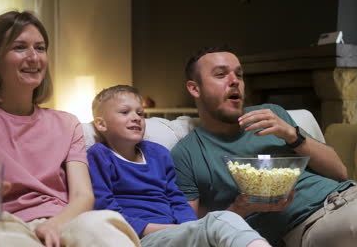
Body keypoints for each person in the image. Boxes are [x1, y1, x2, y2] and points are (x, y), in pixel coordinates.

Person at [0, 11, 140, 247]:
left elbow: (83, 196)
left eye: (40, 48)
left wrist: (55, 225)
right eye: (19, 47)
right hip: (5, 223)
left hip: (64, 221)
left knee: (103, 225)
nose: (33, 57)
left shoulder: (68, 122)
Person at [171, 45, 357, 247]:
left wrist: (291, 134)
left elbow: (340, 173)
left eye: (239, 74)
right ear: (194, 89)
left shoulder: (273, 114)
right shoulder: (187, 154)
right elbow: (190, 233)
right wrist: (241, 207)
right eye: (221, 74)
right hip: (309, 222)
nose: (234, 80)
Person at [87, 85, 271, 247]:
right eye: (124, 112)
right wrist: (170, 229)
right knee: (222, 219)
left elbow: (177, 199)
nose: (136, 118)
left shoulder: (158, 154)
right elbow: (107, 211)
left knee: (218, 227)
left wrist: (190, 227)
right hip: (138, 238)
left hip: (174, 234)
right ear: (101, 124)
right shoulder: (99, 156)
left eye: (140, 113)